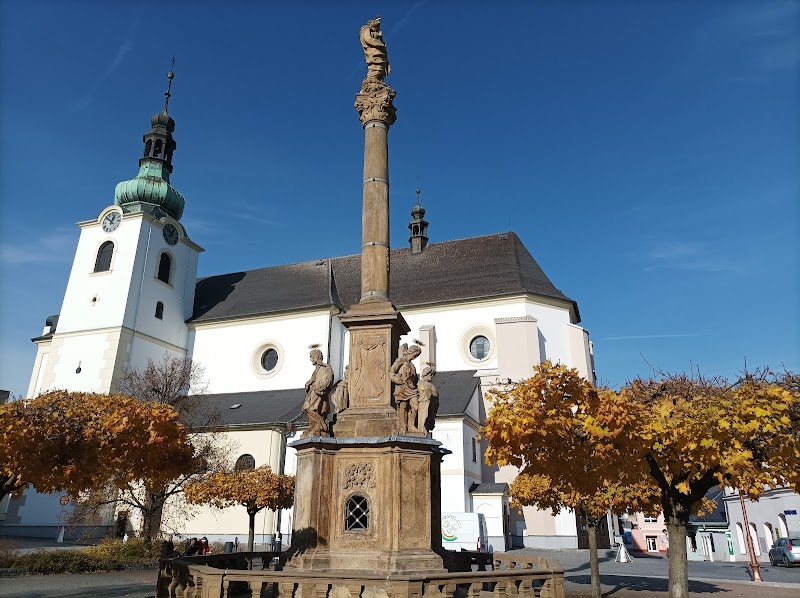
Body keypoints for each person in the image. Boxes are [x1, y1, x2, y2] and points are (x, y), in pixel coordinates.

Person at [390, 344, 422, 434]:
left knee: (415, 406)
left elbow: (415, 379)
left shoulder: (412, 366)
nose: (415, 357)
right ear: (411, 351)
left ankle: (411, 426)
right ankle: (403, 427)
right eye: (415, 354)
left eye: (417, 355)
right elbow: (391, 371)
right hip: (402, 387)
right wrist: (396, 379)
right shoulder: (401, 360)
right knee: (403, 406)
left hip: (411, 389)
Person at [302, 349, 334, 436]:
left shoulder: (326, 367)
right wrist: (308, 383)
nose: (311, 359)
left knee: (309, 408)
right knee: (310, 408)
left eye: (312, 357)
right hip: (313, 391)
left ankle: (321, 424)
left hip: (319, 392)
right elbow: (313, 379)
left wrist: (320, 388)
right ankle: (314, 426)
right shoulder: (316, 369)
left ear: (316, 356)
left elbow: (328, 380)